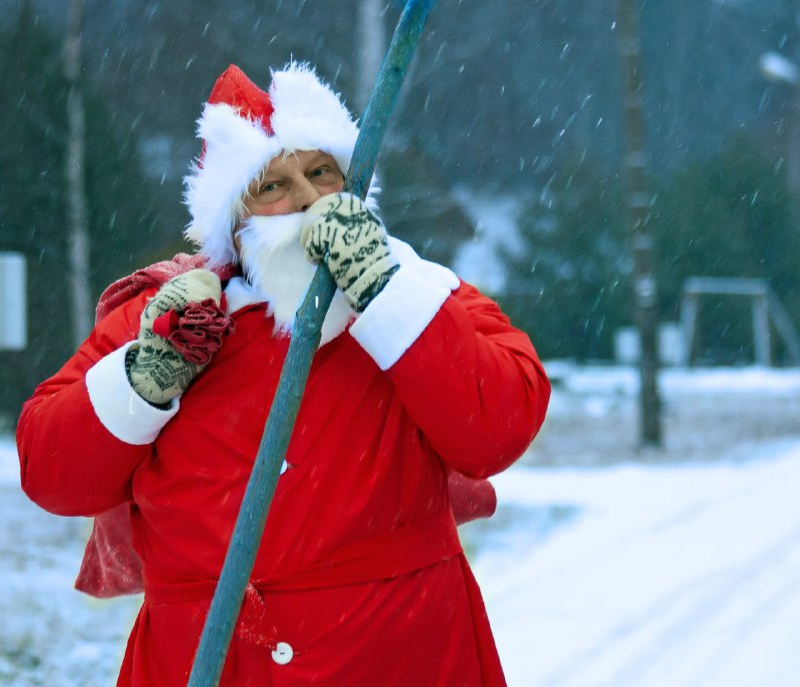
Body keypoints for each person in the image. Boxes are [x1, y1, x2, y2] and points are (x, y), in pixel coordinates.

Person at [17, 62, 551, 686]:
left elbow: (498, 426)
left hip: (398, 653)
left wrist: (382, 289)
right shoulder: (170, 316)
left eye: (322, 172)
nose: (306, 197)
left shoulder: (421, 291)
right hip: (207, 658)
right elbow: (54, 474)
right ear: (234, 223)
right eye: (272, 185)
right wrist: (146, 377)